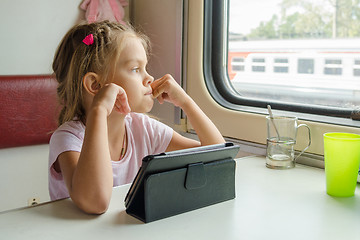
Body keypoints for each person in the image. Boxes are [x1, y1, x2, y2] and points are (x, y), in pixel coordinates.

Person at [48, 20, 225, 214]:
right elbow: (95, 202)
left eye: (145, 68)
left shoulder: (143, 128)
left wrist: (186, 103)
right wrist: (98, 110)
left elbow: (217, 157)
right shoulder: (68, 139)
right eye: (135, 69)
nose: (149, 78)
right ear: (95, 85)